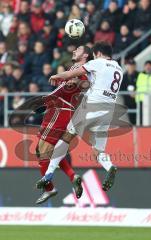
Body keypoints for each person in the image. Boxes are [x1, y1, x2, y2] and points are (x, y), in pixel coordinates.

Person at [36, 42, 123, 193]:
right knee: (98, 150)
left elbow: (70, 74)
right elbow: (91, 82)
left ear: (98, 53)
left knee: (65, 137)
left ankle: (48, 174)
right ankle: (110, 166)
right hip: (108, 112)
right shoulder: (119, 69)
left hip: (92, 106)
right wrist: (79, 82)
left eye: (94, 55)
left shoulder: (97, 63)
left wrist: (57, 75)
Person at [35, 45, 93, 204]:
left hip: (61, 109)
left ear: (86, 55)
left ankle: (49, 188)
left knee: (43, 151)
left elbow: (84, 85)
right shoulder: (76, 68)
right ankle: (72, 176)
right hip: (56, 108)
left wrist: (73, 84)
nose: (74, 51)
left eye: (78, 50)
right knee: (44, 151)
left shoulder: (84, 69)